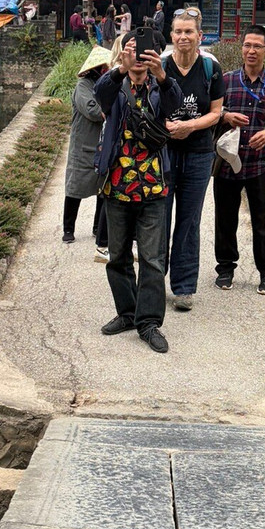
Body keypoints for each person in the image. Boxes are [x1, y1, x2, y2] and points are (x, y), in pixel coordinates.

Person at [94, 30, 182, 353]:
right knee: (117, 257)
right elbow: (100, 96)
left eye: (145, 50)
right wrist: (120, 67)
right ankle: (127, 313)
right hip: (117, 186)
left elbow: (175, 107)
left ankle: (149, 323)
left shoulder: (161, 87)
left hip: (153, 186)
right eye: (132, 49)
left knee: (152, 260)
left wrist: (163, 76)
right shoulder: (115, 85)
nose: (139, 56)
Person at [214, 25, 265, 296]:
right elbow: (212, 111)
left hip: (259, 163)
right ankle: (225, 269)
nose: (251, 51)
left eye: (257, 46)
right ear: (242, 49)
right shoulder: (227, 81)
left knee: (262, 220)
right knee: (225, 218)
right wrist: (226, 116)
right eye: (247, 45)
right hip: (228, 162)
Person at [162, 7, 223, 311]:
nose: (183, 37)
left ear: (200, 36)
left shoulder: (211, 68)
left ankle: (184, 287)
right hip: (164, 154)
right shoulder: (160, 66)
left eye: (189, 32)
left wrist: (190, 126)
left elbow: (216, 112)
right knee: (158, 218)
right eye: (178, 31)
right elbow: (147, 106)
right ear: (171, 35)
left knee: (189, 221)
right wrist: (167, 126)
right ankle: (152, 280)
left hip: (199, 155)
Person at [63, 44, 110, 260]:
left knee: (103, 188)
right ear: (97, 68)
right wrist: (109, 108)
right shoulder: (83, 86)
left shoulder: (104, 85)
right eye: (105, 67)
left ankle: (97, 227)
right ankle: (68, 229)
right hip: (83, 146)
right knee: (75, 186)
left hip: (101, 144)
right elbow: (92, 111)